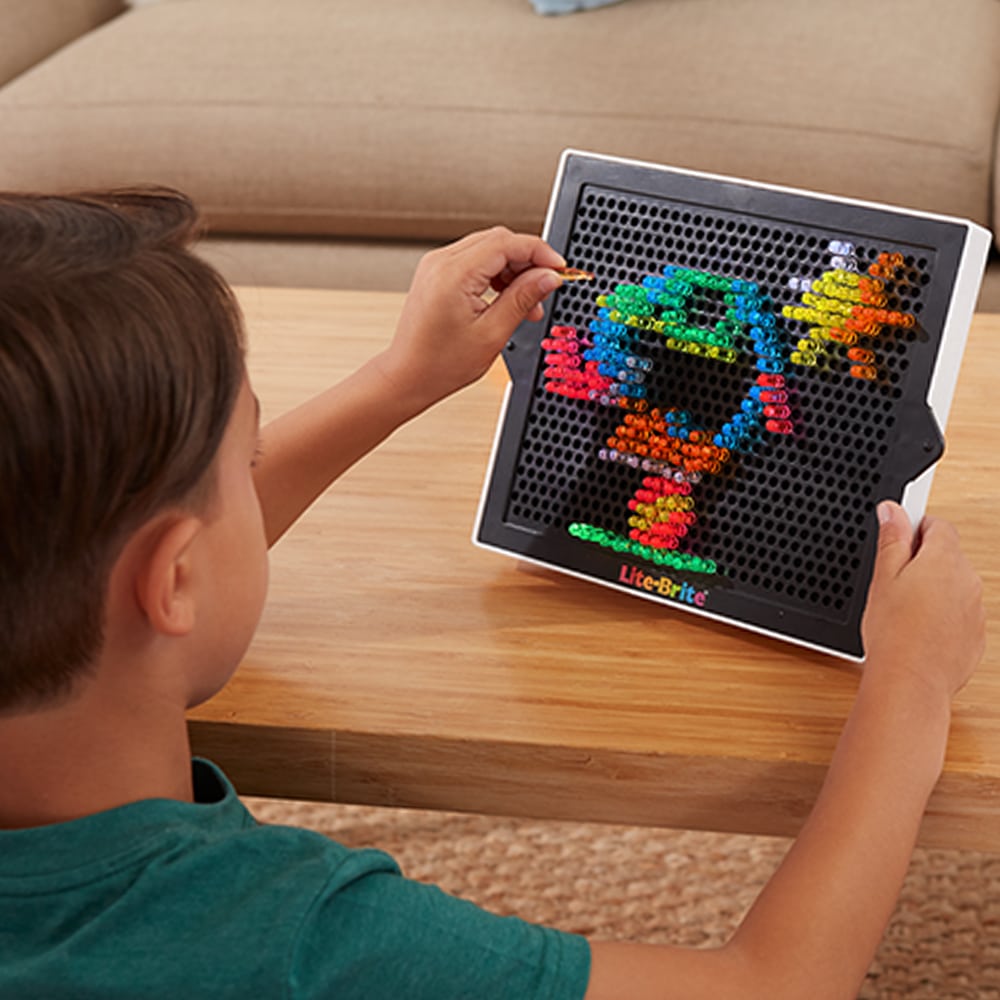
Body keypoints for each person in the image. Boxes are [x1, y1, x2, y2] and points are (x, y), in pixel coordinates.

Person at [0, 187, 984, 1000]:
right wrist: (911, 678)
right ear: (171, 578)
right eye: (245, 456)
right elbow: (775, 984)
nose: (254, 478)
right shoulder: (304, 944)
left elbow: (96, 557)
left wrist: (400, 378)